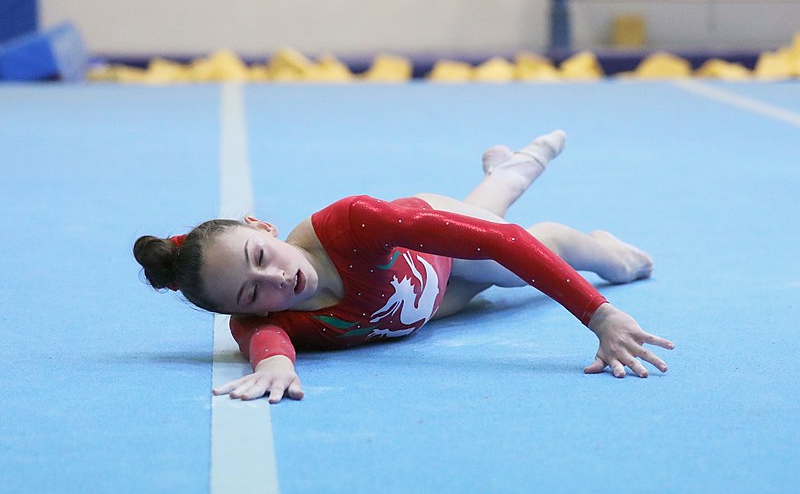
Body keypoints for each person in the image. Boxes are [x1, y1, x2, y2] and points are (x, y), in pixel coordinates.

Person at [134, 130, 674, 404]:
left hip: (435, 245)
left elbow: (499, 241)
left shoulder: (352, 225)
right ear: (237, 311)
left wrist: (598, 315)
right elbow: (267, 346)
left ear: (263, 227)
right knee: (485, 235)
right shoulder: (260, 324)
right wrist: (275, 368)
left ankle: (597, 245)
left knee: (507, 260)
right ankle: (508, 168)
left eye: (261, 257)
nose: (276, 280)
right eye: (251, 295)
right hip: (429, 304)